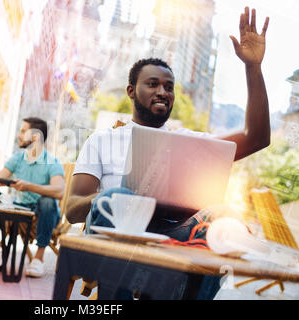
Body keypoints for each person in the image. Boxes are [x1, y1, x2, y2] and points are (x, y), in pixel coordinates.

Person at [66, 7, 270, 299]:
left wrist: (253, 68)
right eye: (152, 84)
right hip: (117, 235)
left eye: (169, 87)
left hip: (171, 236)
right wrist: (122, 197)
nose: (163, 91)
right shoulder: (102, 140)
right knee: (116, 198)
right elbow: (73, 209)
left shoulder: (187, 141)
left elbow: (257, 137)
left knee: (223, 215)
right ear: (131, 91)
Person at [0, 117, 65, 278]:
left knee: (47, 201)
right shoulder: (18, 158)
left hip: (41, 212)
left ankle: (38, 259)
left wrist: (28, 186)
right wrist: (5, 182)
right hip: (20, 207)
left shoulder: (52, 162)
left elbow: (59, 191)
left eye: (23, 131)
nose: (19, 136)